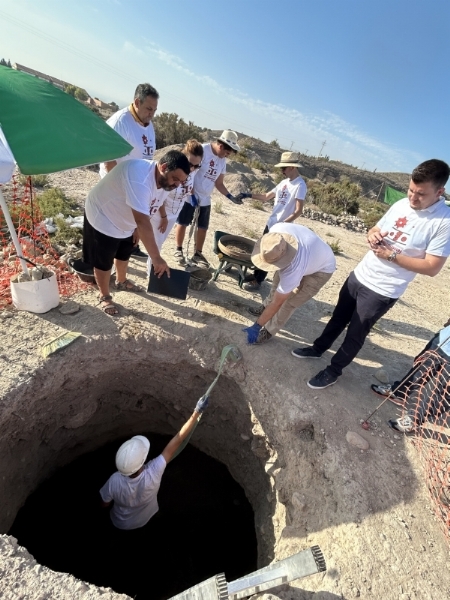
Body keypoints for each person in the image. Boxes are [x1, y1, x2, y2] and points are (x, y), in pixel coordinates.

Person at [292, 159, 450, 390]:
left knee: (355, 334)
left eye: (420, 194)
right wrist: (372, 235)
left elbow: (432, 267)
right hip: (360, 274)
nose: (412, 198)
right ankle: (317, 349)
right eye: (410, 190)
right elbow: (375, 228)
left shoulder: (444, 222)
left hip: (383, 289)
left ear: (439, 191)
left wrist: (391, 256)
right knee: (337, 318)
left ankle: (334, 370)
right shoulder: (401, 205)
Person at [83, 150, 190, 315]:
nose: (177, 185)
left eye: (181, 182)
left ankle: (121, 280)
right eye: (175, 179)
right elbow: (142, 220)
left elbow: (151, 205)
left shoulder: (165, 181)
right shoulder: (139, 177)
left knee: (125, 250)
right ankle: (104, 295)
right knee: (104, 260)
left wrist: (136, 229)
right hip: (104, 214)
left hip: (127, 218)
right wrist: (156, 258)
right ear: (163, 166)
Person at [100, 396, 209, 530]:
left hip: (119, 522)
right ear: (142, 462)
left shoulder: (114, 480)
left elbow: (105, 504)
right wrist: (196, 412)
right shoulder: (154, 472)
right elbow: (177, 440)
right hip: (145, 518)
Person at [242, 224, 336, 344]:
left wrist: (256, 326)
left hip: (321, 269)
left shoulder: (294, 267)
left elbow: (278, 302)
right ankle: (265, 308)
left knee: (290, 302)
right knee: (276, 285)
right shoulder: (275, 233)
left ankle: (268, 331)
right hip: (311, 254)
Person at [100, 83, 159, 258]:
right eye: (149, 108)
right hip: (116, 188)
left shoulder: (148, 124)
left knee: (130, 230)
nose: (151, 114)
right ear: (136, 102)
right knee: (110, 233)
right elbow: (108, 162)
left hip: (136, 186)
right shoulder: (120, 122)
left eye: (154, 110)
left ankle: (123, 270)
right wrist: (120, 188)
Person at [237, 152, 307, 291]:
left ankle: (258, 281)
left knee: (271, 254)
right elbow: (266, 196)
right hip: (271, 223)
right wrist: (247, 195)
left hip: (282, 227)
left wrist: (283, 224)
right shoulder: (284, 183)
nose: (282, 171)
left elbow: (298, 210)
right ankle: (256, 275)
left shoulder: (300, 185)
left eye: (284, 168)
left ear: (292, 167)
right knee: (262, 250)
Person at [174, 130, 242, 268]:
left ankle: (197, 253)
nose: (226, 156)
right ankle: (178, 250)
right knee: (183, 222)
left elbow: (219, 183)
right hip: (191, 194)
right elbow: (190, 173)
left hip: (205, 198)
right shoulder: (203, 150)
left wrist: (230, 196)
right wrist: (191, 194)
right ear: (221, 146)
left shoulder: (222, 161)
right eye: (227, 153)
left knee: (203, 227)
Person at [370, 320, 450, 433]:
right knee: (419, 370)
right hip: (444, 340)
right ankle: (399, 392)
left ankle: (415, 420)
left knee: (444, 393)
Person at [147, 139, 203, 275]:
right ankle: (152, 274)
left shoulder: (192, 171)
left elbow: (190, 185)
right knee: (156, 243)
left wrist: (193, 195)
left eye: (197, 166)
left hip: (174, 213)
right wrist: (164, 217)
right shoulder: (174, 172)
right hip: (161, 213)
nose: (192, 169)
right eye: (190, 164)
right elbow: (160, 195)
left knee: (159, 241)